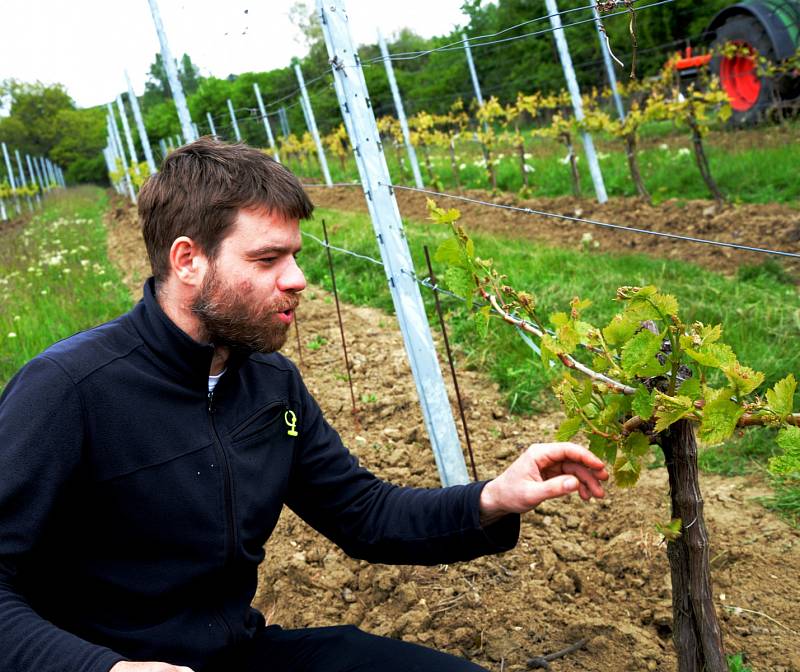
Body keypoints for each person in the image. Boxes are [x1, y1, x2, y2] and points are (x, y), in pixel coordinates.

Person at [0, 138, 608, 672]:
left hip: (237, 654)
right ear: (188, 260)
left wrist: (491, 499)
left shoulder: (269, 383)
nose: (296, 279)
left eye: (293, 255)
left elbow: (364, 513)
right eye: (267, 260)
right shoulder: (67, 390)